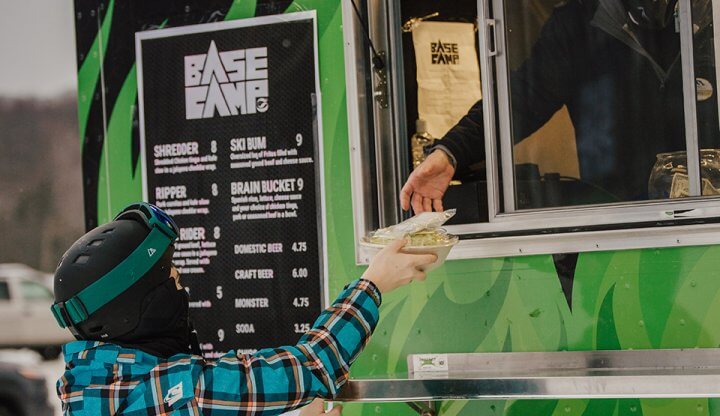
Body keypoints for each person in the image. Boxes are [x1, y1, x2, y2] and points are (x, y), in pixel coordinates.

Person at [51, 202, 436, 415]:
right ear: (139, 308)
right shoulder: (174, 391)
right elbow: (314, 366)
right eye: (171, 279)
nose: (181, 284)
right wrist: (374, 283)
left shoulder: (90, 391)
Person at [401, 0, 717, 213]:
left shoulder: (712, 21)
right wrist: (450, 152)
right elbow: (519, 100)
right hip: (621, 226)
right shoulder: (578, 27)